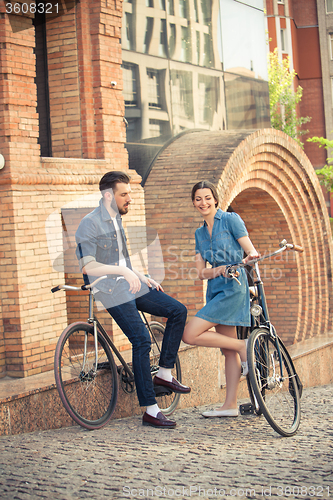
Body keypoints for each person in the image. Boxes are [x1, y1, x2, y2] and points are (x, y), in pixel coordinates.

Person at [75, 171, 190, 428]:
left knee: (177, 311)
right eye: (124, 194)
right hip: (109, 289)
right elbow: (87, 266)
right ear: (108, 195)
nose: (130, 199)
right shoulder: (90, 223)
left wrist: (140, 274)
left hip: (131, 283)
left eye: (130, 193)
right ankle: (150, 410)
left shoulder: (117, 219)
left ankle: (163, 374)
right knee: (141, 339)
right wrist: (125, 272)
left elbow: (122, 261)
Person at [182, 180, 260, 418]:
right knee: (228, 351)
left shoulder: (230, 220)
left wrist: (247, 260)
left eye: (207, 197)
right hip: (215, 289)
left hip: (234, 288)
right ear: (194, 203)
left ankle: (242, 345)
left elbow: (251, 252)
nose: (203, 203)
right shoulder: (198, 233)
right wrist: (219, 270)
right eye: (198, 199)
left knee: (189, 334)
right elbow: (200, 273)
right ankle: (230, 405)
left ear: (215, 199)